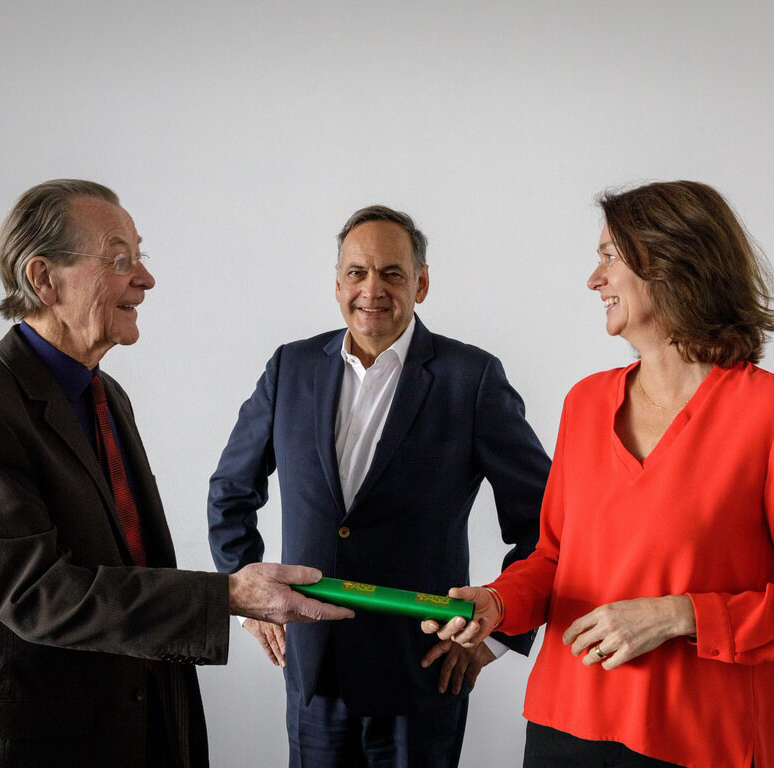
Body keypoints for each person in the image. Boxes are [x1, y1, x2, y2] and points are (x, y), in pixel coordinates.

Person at [0, 179, 352, 768]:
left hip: (139, 731)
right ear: (44, 279)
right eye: (119, 259)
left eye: (140, 257)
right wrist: (227, 595)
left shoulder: (106, 396)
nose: (145, 280)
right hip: (37, 746)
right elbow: (39, 595)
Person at [424, 181, 774, 768]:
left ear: (672, 262)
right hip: (563, 727)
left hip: (696, 741)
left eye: (609, 256)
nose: (593, 279)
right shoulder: (585, 402)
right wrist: (497, 602)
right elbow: (554, 561)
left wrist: (682, 615)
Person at [207, 204, 550, 766]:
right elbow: (230, 492)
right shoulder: (290, 368)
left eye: (392, 273)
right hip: (314, 670)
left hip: (423, 671)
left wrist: (493, 636)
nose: (372, 289)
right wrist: (249, 605)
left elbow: (545, 520)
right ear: (337, 283)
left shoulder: (471, 378)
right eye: (357, 273)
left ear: (421, 283)